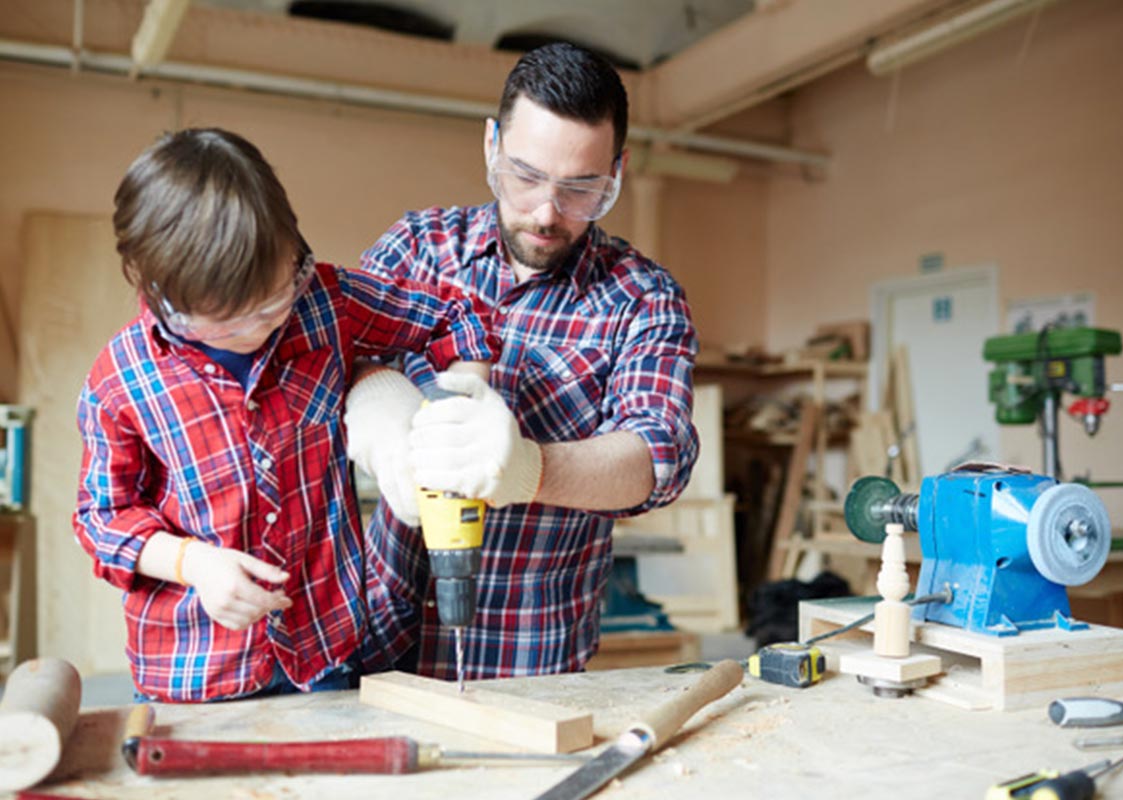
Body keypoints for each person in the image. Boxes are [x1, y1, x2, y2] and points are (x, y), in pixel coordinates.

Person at [73, 128, 498, 703]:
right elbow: (102, 517)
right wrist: (192, 563)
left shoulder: (324, 302)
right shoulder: (120, 380)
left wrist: (463, 406)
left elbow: (456, 317)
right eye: (232, 321)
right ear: (164, 294)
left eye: (276, 300)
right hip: (195, 672)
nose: (265, 327)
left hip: (326, 650)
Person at [346, 42, 699, 680]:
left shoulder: (642, 297)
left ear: (615, 173)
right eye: (526, 176)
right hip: (375, 631)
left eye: (580, 189)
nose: (546, 212)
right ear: (490, 146)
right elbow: (342, 363)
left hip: (530, 657)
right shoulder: (419, 250)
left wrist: (529, 469)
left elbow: (657, 458)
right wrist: (387, 427)